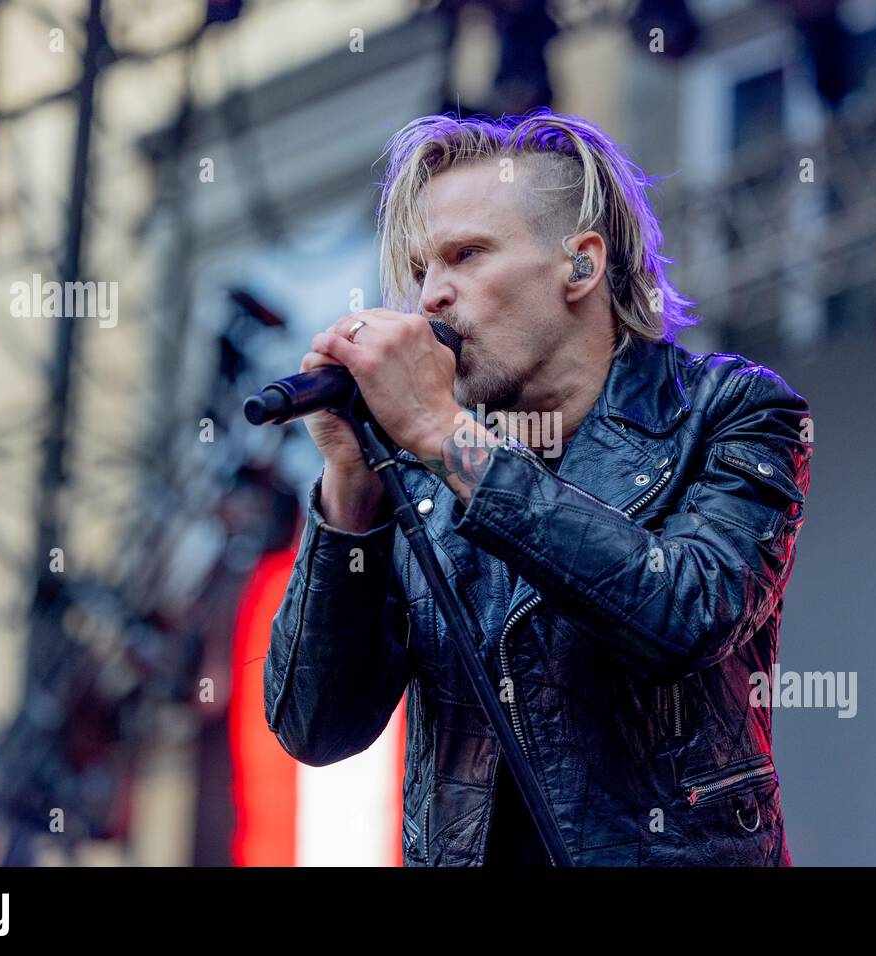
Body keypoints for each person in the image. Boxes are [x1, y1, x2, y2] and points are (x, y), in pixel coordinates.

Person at [264, 109, 811, 866]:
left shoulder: (728, 412)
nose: (430, 299)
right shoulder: (421, 476)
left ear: (580, 266)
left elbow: (684, 614)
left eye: (466, 255)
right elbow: (314, 726)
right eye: (421, 269)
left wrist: (443, 433)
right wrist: (350, 484)